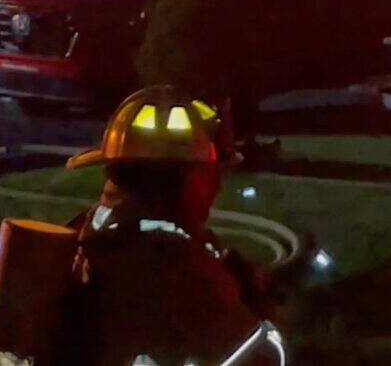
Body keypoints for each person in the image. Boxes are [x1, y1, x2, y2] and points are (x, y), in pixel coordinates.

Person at [63, 85, 281, 366]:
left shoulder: (88, 230)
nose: (216, 188)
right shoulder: (174, 260)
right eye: (213, 176)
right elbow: (261, 357)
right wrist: (253, 300)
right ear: (193, 180)